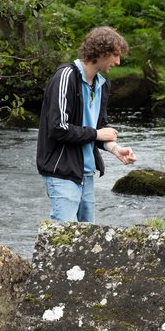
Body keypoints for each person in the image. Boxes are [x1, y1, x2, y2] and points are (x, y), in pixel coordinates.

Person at [36, 26, 136, 222]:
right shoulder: (66, 76)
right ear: (100, 52)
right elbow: (58, 128)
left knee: (87, 236)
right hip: (61, 171)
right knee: (64, 235)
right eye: (115, 55)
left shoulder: (102, 84)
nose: (118, 61)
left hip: (86, 173)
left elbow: (99, 129)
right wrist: (98, 135)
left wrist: (115, 148)